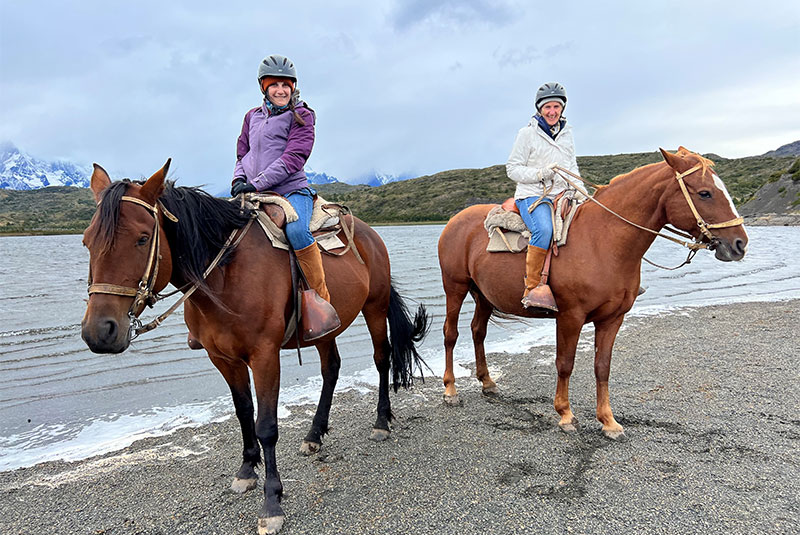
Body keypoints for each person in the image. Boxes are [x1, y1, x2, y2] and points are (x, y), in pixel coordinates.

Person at [231, 54, 339, 338]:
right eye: (274, 84)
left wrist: (255, 183)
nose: (280, 90)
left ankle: (321, 303)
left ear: (293, 87)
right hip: (254, 189)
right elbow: (242, 153)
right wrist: (238, 179)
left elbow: (294, 157)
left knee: (297, 231)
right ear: (263, 87)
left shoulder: (303, 116)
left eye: (286, 85)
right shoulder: (251, 117)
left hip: (292, 190)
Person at [505, 82, 585, 313]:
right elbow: (512, 168)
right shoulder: (526, 134)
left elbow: (572, 166)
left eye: (556, 107)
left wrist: (582, 192)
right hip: (532, 195)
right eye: (548, 107)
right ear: (540, 109)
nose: (552, 111)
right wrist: (541, 174)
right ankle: (532, 289)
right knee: (544, 229)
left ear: (562, 108)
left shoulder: (567, 133)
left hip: (563, 193)